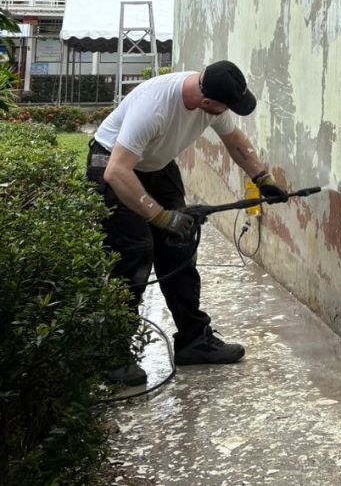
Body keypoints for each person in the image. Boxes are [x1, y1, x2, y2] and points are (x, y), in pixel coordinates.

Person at [86, 60, 289, 386]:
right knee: (136, 252)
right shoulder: (154, 109)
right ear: (207, 102)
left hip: (156, 166)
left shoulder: (212, 101)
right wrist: (161, 217)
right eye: (224, 107)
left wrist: (262, 177)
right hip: (113, 164)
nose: (225, 113)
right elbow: (116, 172)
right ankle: (111, 352)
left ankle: (194, 341)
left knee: (179, 246)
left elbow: (235, 140)